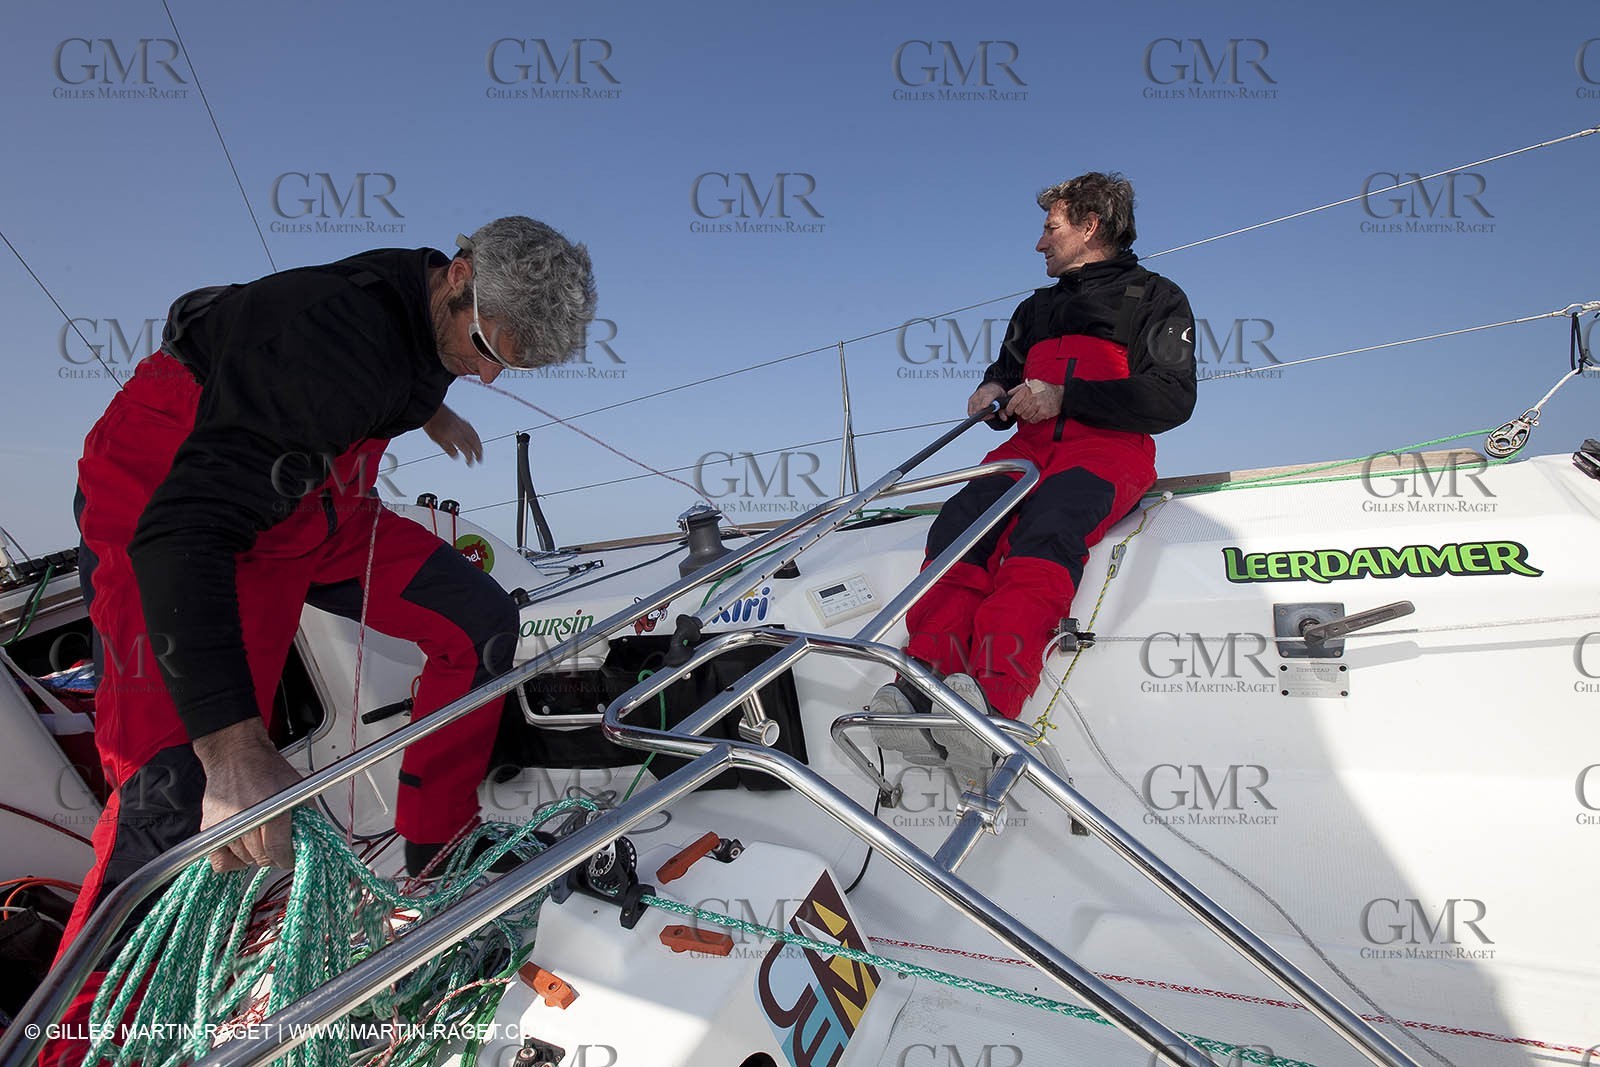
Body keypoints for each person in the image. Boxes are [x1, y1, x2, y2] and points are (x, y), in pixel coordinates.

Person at [45, 217, 596, 1063]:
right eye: (486, 348)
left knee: (478, 621)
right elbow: (184, 531)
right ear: (459, 276)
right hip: (172, 503)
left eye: (506, 368)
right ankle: (72, 1042)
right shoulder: (332, 342)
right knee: (174, 786)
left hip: (314, 504)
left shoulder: (417, 302)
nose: (488, 374)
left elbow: (378, 353)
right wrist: (234, 751)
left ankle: (437, 850)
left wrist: (431, 405)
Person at [875, 173, 1195, 760]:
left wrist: (1066, 396)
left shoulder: (1157, 297)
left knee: (1046, 530)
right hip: (1026, 449)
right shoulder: (1034, 309)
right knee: (959, 526)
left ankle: (991, 704)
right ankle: (922, 684)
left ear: (1090, 227)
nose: (1039, 243)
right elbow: (1006, 372)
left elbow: (1172, 398)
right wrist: (991, 392)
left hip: (1107, 450)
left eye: (1051, 228)